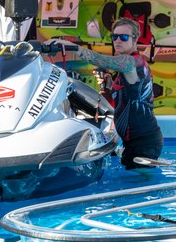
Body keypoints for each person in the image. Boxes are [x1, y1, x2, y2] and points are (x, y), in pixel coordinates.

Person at [46, 17, 163, 170]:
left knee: (140, 187)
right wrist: (107, 88)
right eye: (114, 37)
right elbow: (117, 104)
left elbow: (104, 60)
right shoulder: (124, 70)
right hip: (133, 141)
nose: (118, 40)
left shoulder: (134, 62)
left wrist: (75, 48)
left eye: (124, 37)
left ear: (135, 40)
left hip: (144, 142)